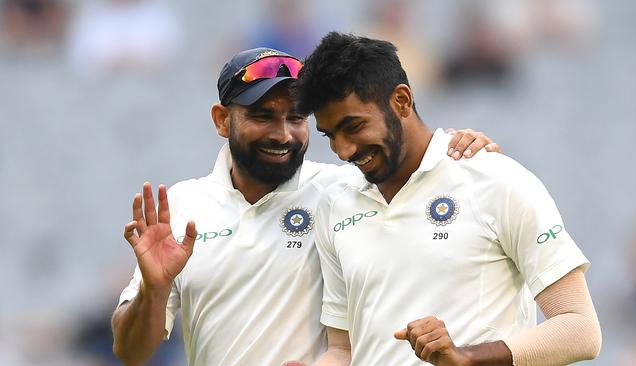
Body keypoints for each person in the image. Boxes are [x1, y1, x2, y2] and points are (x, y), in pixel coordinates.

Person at [111, 47, 501, 366]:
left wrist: (458, 145)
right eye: (263, 117)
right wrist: (154, 290)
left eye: (295, 118)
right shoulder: (181, 204)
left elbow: (416, 164)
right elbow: (130, 352)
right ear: (222, 120)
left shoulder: (345, 189)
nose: (282, 135)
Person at [292, 32, 601, 366]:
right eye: (331, 135)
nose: (343, 150)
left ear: (402, 101)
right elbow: (345, 350)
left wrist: (467, 358)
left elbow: (580, 329)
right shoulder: (336, 203)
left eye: (353, 126)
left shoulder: (496, 180)